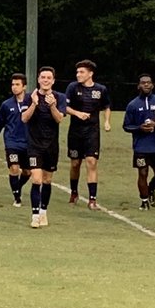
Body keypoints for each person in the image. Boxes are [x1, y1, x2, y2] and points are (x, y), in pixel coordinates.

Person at [20, 66, 67, 227]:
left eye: (48, 78)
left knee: (47, 180)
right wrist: (34, 104)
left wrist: (52, 105)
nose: (45, 80)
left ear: (53, 80)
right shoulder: (29, 97)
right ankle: (34, 216)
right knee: (36, 179)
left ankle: (43, 212)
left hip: (51, 146)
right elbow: (24, 118)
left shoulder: (59, 97)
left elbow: (60, 119)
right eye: (43, 77)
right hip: (34, 145)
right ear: (38, 79)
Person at [65, 59, 112, 210]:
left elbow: (107, 106)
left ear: (90, 74)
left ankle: (92, 199)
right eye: (77, 72)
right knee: (75, 163)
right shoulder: (73, 87)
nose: (78, 74)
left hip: (92, 132)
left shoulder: (101, 89)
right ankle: (74, 192)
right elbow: (65, 107)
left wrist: (106, 121)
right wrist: (78, 113)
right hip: (75, 132)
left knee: (91, 162)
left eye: (81, 72)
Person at [0, 72, 33, 206]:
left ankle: (17, 187)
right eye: (13, 84)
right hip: (11, 141)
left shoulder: (31, 102)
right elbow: (0, 123)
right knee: (14, 168)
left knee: (27, 171)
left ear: (24, 87)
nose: (14, 87)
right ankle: (17, 197)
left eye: (17, 84)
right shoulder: (6, 105)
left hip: (27, 142)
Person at [122, 74, 155, 211]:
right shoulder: (133, 105)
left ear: (152, 85)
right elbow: (126, 126)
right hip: (141, 147)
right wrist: (139, 128)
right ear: (138, 86)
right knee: (142, 173)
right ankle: (144, 200)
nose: (146, 85)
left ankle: (151, 189)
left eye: (148, 82)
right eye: (143, 83)